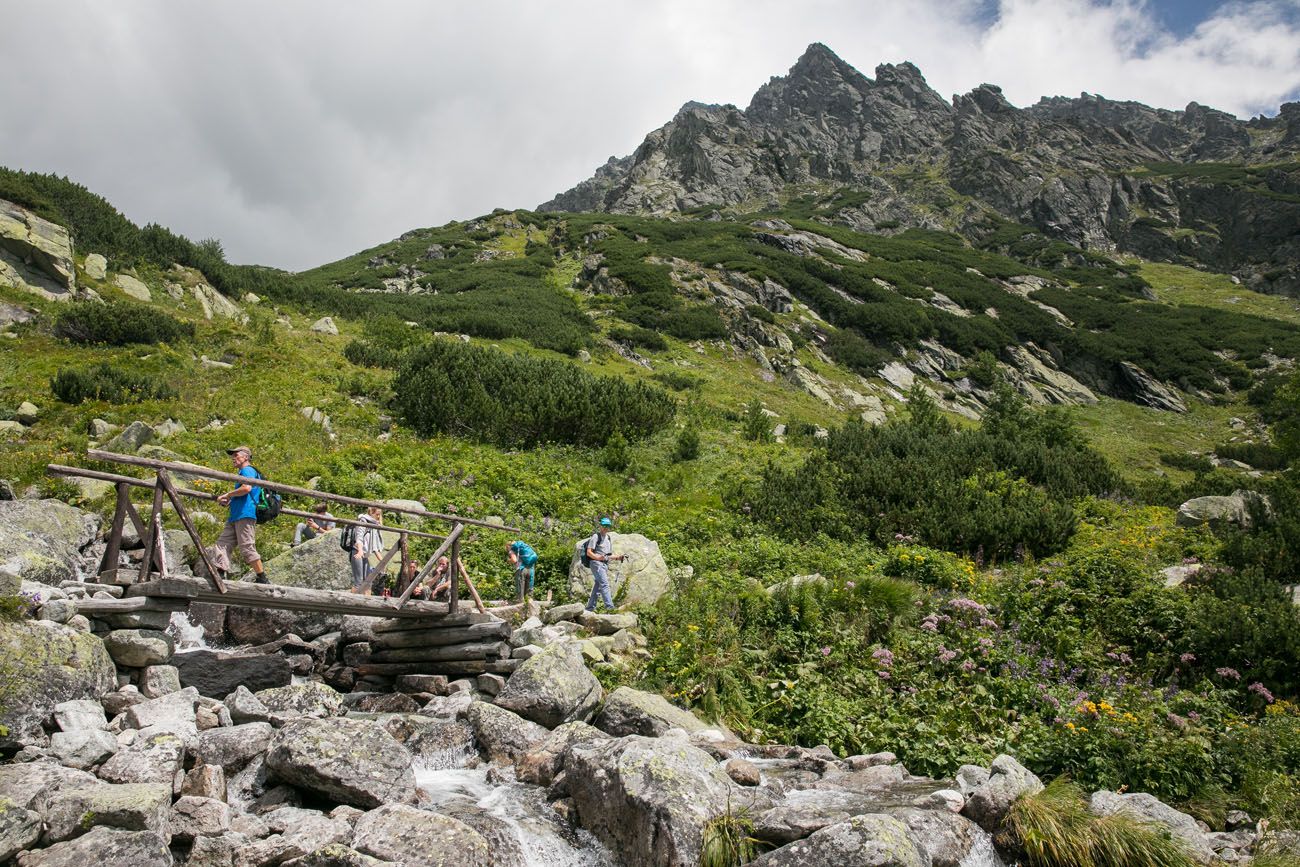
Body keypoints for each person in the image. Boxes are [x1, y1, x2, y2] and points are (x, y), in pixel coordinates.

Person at [211, 445, 267, 584]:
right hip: (236, 515)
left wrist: (228, 494)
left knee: (247, 547)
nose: (233, 458)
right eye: (233, 456)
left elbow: (246, 488)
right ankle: (220, 573)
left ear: (246, 457)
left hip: (245, 514)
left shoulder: (247, 470)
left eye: (236, 455)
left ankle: (262, 578)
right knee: (222, 543)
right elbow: (243, 493)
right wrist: (229, 500)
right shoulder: (243, 472)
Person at [584, 517, 625, 612]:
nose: (606, 528)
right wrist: (597, 557)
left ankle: (589, 608)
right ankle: (610, 608)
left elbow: (608, 555)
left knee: (598, 586)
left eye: (608, 526)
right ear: (600, 526)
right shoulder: (596, 536)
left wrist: (618, 557)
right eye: (604, 526)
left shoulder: (608, 538)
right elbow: (589, 552)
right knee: (605, 584)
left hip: (604, 564)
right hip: (596, 564)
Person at [350, 506, 384, 593]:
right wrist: (360, 551)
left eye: (380, 515)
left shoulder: (373, 525)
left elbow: (374, 546)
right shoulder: (363, 520)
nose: (378, 517)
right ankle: (353, 601)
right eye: (377, 514)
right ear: (371, 513)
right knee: (359, 582)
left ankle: (366, 601)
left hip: (365, 555)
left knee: (368, 581)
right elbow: (359, 537)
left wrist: (382, 561)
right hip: (357, 552)